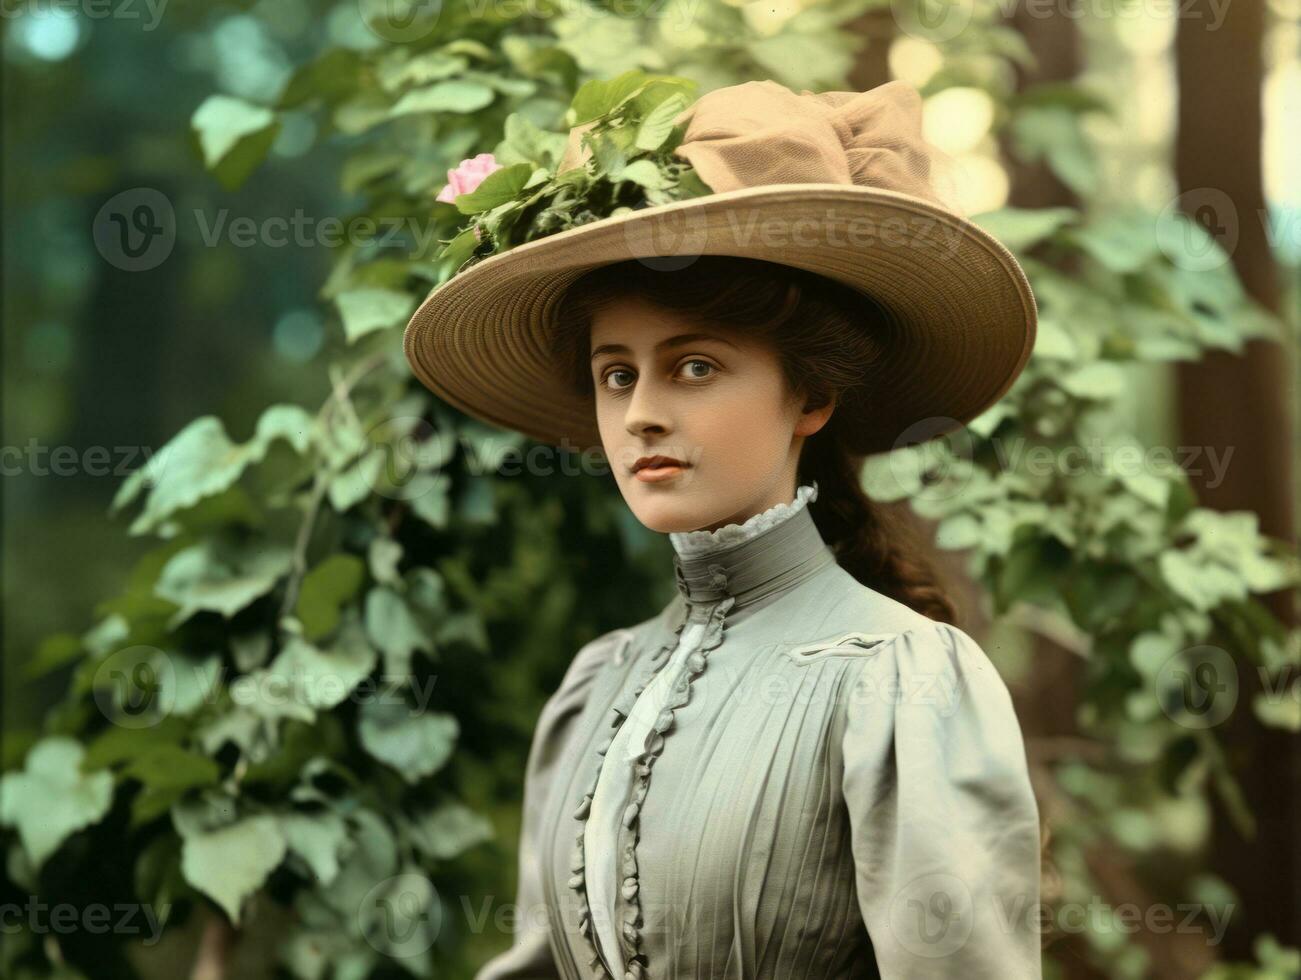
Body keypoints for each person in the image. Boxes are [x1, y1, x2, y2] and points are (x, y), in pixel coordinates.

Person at [405, 76, 1044, 979]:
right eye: (616, 374)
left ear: (810, 395)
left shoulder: (901, 679)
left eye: (694, 367)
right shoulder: (598, 685)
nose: (640, 417)